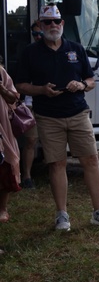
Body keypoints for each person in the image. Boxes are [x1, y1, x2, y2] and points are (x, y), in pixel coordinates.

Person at [13, 4, 99, 231]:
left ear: (62, 23)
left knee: (91, 160)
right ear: (40, 24)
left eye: (56, 21)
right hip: (48, 117)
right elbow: (20, 85)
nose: (52, 26)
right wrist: (41, 90)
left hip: (78, 113)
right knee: (57, 164)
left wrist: (81, 84)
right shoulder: (30, 52)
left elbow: (90, 80)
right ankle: (62, 215)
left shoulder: (75, 49)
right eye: (47, 22)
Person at [16, 22, 41, 189]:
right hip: (31, 104)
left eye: (41, 33)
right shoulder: (28, 54)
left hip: (53, 106)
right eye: (35, 34)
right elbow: (20, 82)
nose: (38, 37)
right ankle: (26, 176)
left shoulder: (59, 52)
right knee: (31, 140)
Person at [0, 60, 21, 223]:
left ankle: (2, 208)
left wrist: (1, 88)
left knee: (5, 165)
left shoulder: (1, 72)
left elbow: (13, 98)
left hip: (2, 128)